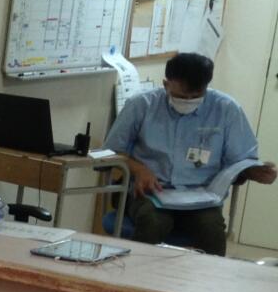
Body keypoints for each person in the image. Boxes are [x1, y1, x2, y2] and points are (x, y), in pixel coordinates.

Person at [105, 52, 275, 255]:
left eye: (196, 97)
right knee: (153, 223)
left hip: (201, 197)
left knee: (211, 229)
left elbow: (241, 159)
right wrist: (139, 169)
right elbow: (110, 152)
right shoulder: (142, 105)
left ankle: (208, 276)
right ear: (166, 84)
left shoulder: (226, 109)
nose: (188, 101)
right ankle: (135, 273)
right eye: (181, 96)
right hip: (151, 193)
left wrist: (255, 171)